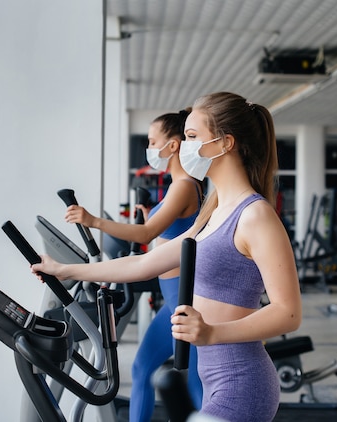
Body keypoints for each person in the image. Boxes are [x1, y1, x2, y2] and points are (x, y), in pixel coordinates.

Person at [31, 91, 302, 422]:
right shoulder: (214, 210)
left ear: (225, 143)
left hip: (242, 385)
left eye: (191, 137)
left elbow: (288, 313)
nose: (184, 147)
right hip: (215, 379)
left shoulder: (255, 216)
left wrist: (213, 333)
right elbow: (145, 263)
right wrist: (65, 269)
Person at [64, 109, 204, 421]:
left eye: (154, 141)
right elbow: (160, 235)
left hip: (187, 301)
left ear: (173, 145)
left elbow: (146, 234)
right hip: (172, 299)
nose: (150, 148)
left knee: (197, 384)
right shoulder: (176, 187)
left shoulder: (184, 186)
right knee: (142, 368)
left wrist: (94, 221)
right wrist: (149, 212)